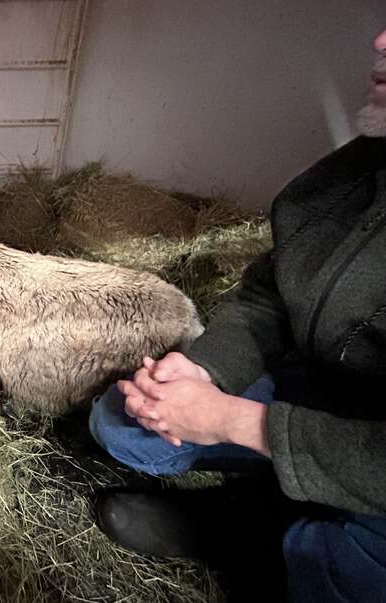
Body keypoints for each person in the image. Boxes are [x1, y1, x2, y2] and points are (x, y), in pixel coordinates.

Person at [88, 27, 386, 603]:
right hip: (329, 387)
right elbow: (269, 293)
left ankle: (262, 545)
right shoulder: (357, 169)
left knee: (363, 569)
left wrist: (232, 422)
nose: (379, 39)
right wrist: (204, 372)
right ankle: (271, 513)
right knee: (124, 422)